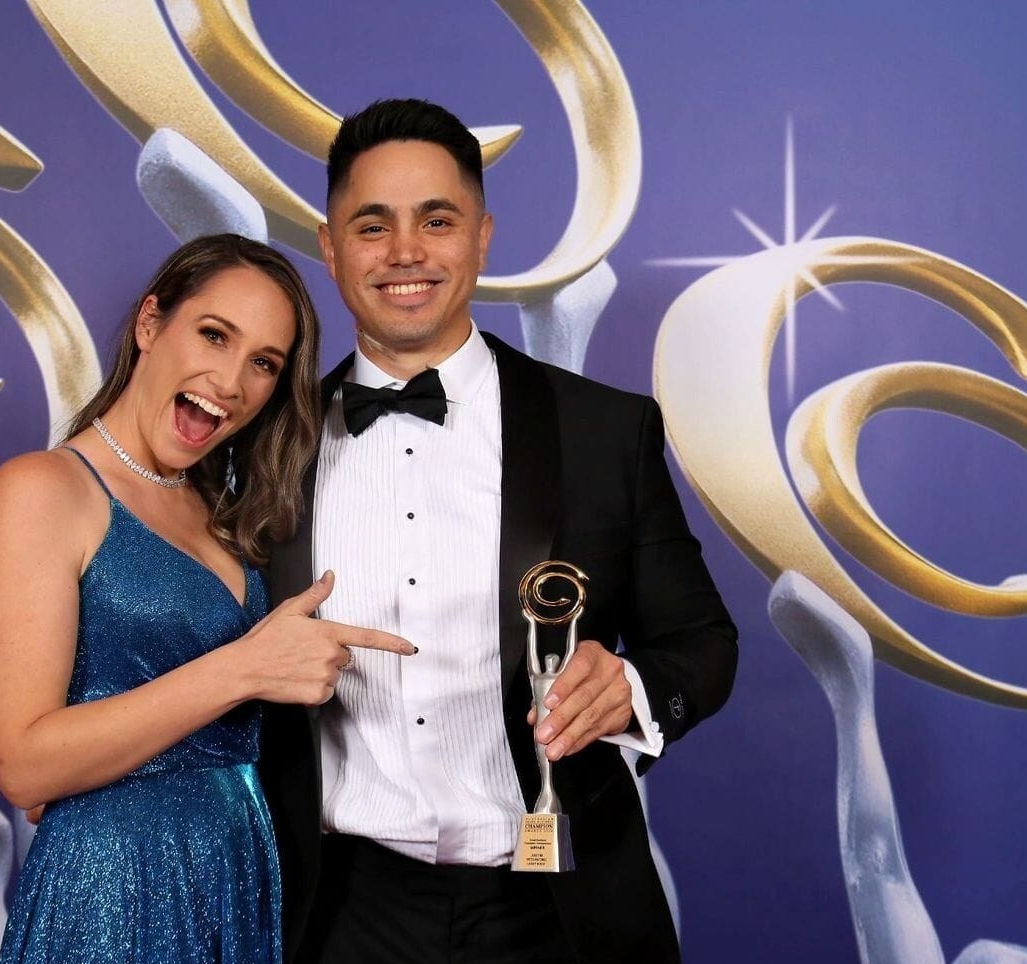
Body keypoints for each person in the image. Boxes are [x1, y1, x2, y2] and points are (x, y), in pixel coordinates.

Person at [257, 100, 739, 963]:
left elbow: (703, 643)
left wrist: (630, 687)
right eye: (373, 225)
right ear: (330, 248)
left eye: (436, 221)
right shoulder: (265, 444)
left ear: (481, 238)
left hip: (558, 907)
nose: (406, 252)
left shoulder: (603, 430)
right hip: (337, 913)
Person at [0, 233, 415, 964]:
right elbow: (22, 764)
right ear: (150, 324)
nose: (231, 381)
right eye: (214, 334)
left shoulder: (224, 509)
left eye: (264, 363)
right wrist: (245, 667)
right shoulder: (43, 489)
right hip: (116, 889)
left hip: (237, 873)